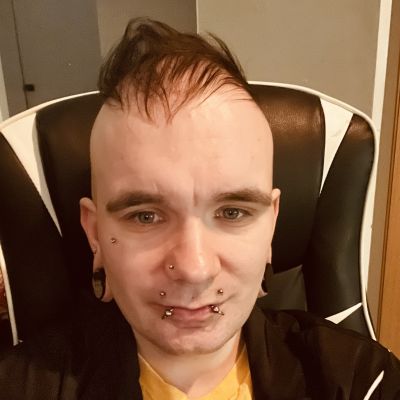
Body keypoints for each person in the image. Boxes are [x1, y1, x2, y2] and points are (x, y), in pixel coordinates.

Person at [1, 18, 400, 400]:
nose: (195, 269)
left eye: (232, 212)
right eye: (145, 216)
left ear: (271, 227)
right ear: (95, 234)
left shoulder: (362, 380)